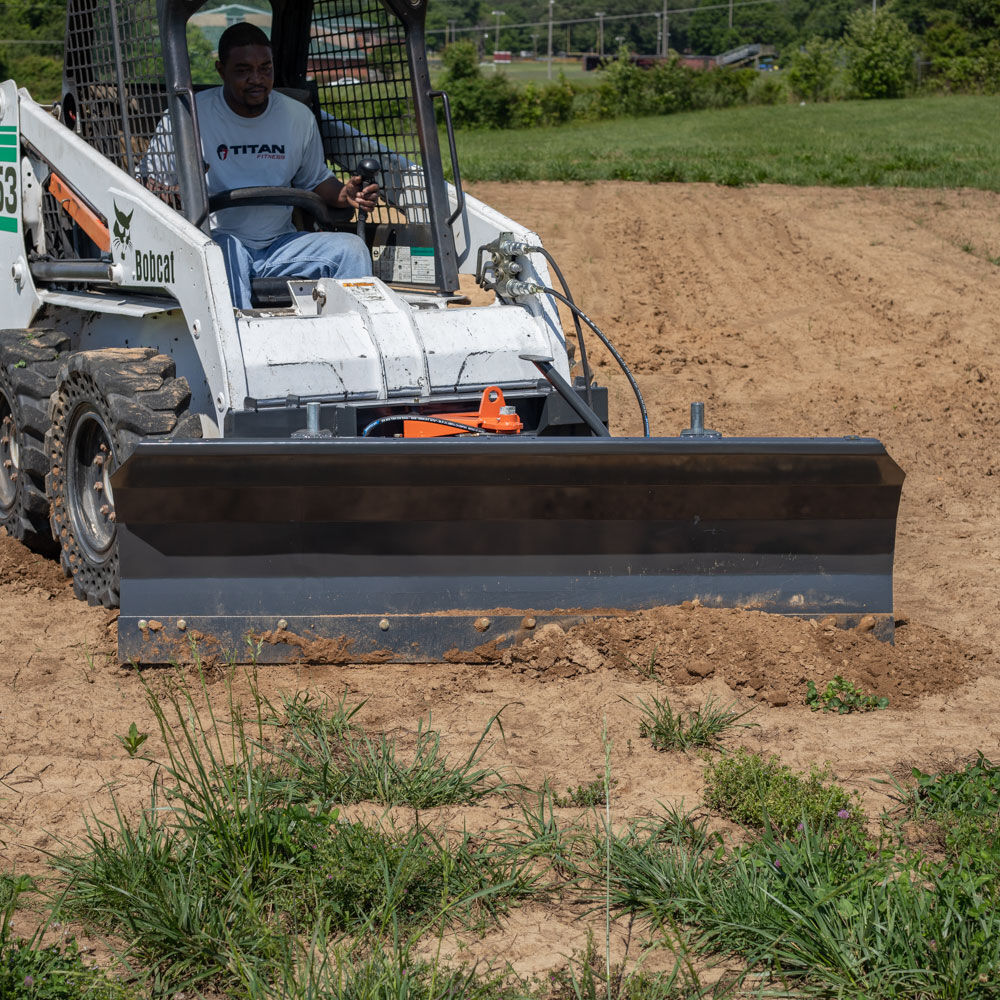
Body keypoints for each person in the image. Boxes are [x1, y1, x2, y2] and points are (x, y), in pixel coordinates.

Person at [150, 21, 378, 309]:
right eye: (243, 70)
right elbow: (150, 186)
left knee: (351, 249)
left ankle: (352, 343)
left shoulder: (297, 117)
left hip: (279, 246)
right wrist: (170, 193)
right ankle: (240, 343)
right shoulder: (186, 117)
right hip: (217, 242)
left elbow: (316, 180)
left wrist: (346, 194)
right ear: (221, 71)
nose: (256, 79)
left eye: (265, 68)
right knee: (226, 254)